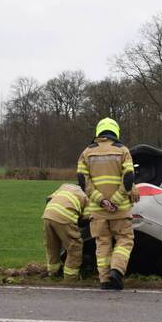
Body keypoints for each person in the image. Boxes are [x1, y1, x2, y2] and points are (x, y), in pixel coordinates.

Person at [77, 118, 135, 290]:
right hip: (120, 209)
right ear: (115, 132)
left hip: (98, 209)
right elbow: (129, 178)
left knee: (102, 243)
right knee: (124, 240)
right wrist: (115, 201)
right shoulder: (123, 150)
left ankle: (104, 280)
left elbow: (82, 181)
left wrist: (101, 200)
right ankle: (116, 271)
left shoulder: (86, 153)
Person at [42, 183, 88, 280]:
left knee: (52, 246)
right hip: (65, 217)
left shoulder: (64, 186)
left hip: (48, 215)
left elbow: (48, 199)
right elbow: (86, 219)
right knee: (75, 247)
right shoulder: (86, 196)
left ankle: (53, 273)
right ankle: (70, 277)